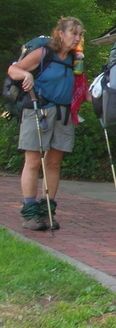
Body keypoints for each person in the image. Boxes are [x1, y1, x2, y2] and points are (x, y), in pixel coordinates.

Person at [7, 17, 88, 230]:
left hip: (63, 114)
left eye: (80, 34)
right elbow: (13, 70)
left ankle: (47, 212)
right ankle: (30, 212)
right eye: (73, 33)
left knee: (53, 163)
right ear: (60, 33)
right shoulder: (44, 53)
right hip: (38, 111)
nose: (77, 38)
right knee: (33, 161)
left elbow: (80, 87)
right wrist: (26, 75)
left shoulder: (75, 59)